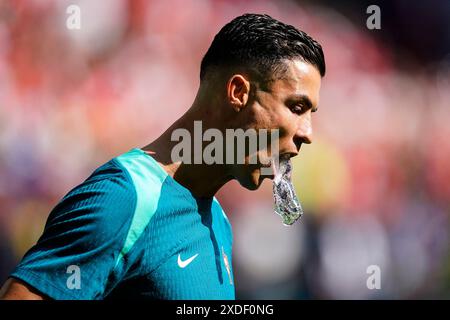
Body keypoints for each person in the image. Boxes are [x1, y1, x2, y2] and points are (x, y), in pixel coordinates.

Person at [0, 13, 325, 300]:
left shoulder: (217, 219)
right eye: (296, 107)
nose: (307, 132)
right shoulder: (125, 200)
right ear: (238, 93)